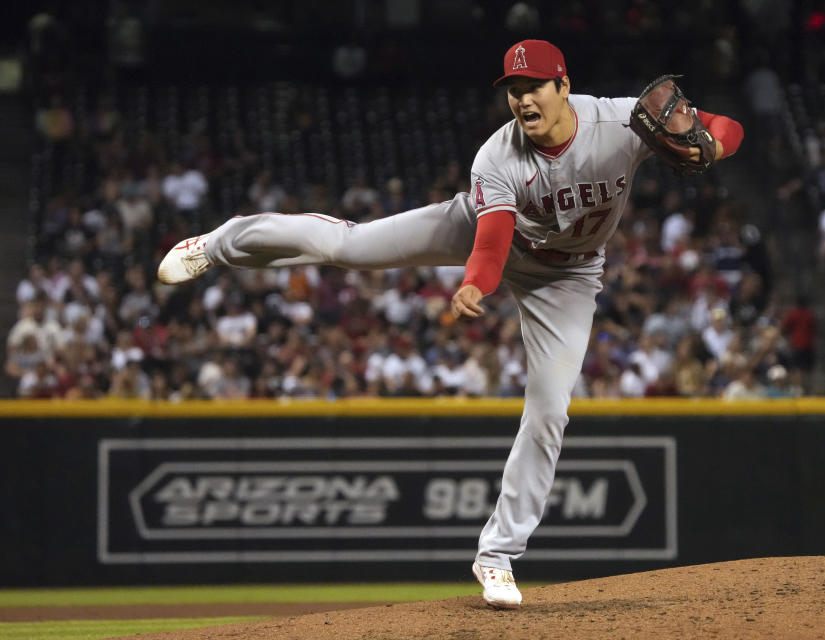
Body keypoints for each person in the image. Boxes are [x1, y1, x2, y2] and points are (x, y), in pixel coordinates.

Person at [157, 39, 743, 609]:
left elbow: (725, 126)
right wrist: (473, 283)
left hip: (567, 277)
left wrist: (713, 146)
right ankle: (224, 240)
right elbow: (491, 243)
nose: (523, 99)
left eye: (534, 85)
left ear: (564, 86)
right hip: (483, 235)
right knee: (350, 245)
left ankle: (498, 556)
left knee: (549, 411)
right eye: (513, 89)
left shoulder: (619, 124)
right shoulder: (497, 157)